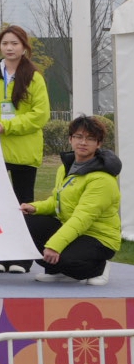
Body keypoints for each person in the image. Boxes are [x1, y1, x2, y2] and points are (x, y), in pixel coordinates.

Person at [0, 24, 51, 274]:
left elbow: (40, 115)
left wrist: (8, 126)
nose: (9, 48)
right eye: (5, 43)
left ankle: (22, 258)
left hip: (24, 153)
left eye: (15, 43)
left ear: (24, 47)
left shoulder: (34, 77)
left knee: (22, 205)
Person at [25, 116, 121, 286]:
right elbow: (57, 201)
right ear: (70, 139)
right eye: (78, 137)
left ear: (98, 144)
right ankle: (58, 271)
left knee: (67, 259)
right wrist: (34, 207)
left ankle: (99, 267)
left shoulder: (102, 179)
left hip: (98, 237)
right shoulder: (64, 168)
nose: (83, 142)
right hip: (72, 229)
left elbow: (83, 218)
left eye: (90, 138)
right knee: (26, 223)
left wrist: (54, 246)